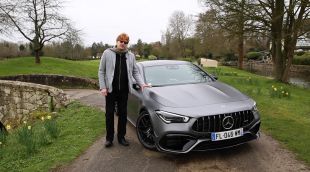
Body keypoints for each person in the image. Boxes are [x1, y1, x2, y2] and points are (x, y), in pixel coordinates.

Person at [98, 33, 148, 148]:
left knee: (123, 114)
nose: (123, 44)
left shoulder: (130, 56)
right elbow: (101, 71)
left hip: (124, 90)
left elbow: (135, 71)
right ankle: (109, 138)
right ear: (117, 41)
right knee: (109, 114)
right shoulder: (107, 53)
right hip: (110, 90)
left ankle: (121, 137)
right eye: (121, 41)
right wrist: (103, 87)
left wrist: (142, 84)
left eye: (125, 42)